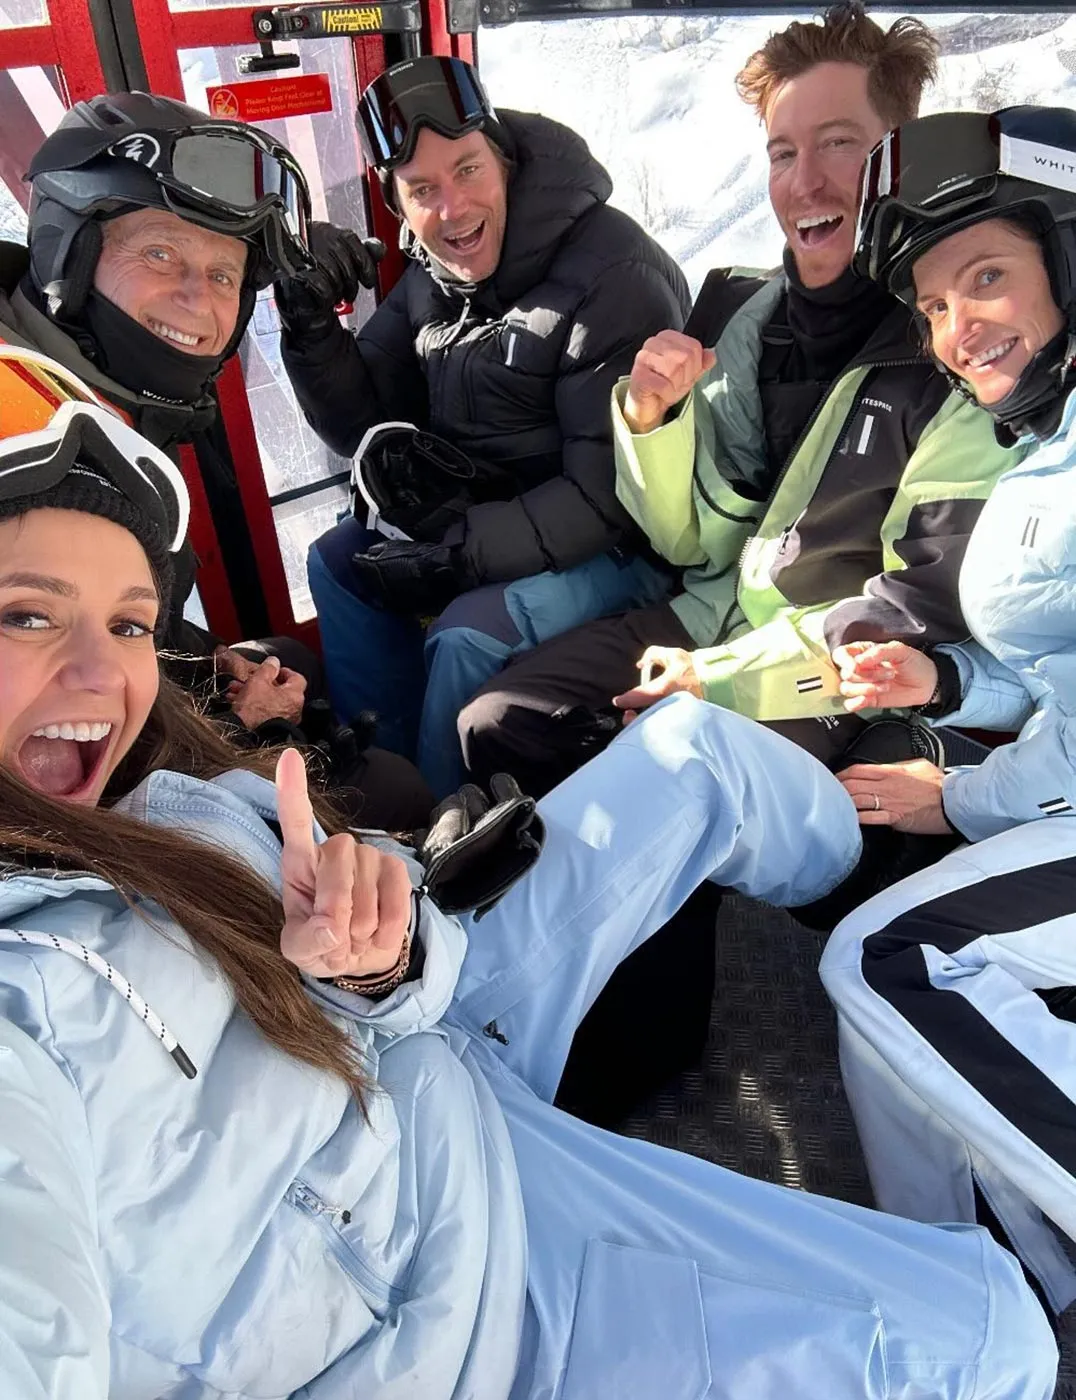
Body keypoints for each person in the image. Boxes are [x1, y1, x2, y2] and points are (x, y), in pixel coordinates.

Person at [0, 375, 1057, 1400]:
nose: (102, 674)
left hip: (430, 1055)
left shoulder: (161, 805)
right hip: (450, 1293)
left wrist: (382, 946)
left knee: (697, 750)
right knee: (988, 1340)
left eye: (128, 624)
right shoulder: (26, 999)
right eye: (28, 615)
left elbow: (367, 968)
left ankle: (853, 877)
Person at [458, 2, 1011, 805]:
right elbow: (692, 544)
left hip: (838, 674)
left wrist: (715, 679)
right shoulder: (747, 323)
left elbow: (914, 604)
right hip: (717, 615)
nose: (804, 181)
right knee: (500, 721)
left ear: (899, 158)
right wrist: (654, 422)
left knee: (678, 783)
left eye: (839, 144)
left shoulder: (952, 351)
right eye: (783, 152)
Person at [0, 90, 433, 829]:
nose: (199, 301)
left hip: (125, 725)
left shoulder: (86, 396)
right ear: (68, 252)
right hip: (85, 813)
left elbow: (124, 623)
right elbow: (68, 763)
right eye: (160, 253)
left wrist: (207, 666)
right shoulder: (39, 443)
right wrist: (240, 728)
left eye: (225, 274)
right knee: (398, 794)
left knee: (288, 653)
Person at [817, 103, 1076, 1317]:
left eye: (983, 279)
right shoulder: (1041, 451)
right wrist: (944, 683)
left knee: (886, 957)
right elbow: (1054, 663)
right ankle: (966, 1292)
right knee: (880, 1008)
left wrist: (956, 799)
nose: (951, 328)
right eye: (930, 304)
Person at [278, 55, 690, 796]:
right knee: (338, 563)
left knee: (468, 631)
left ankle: (445, 825)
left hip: (621, 546)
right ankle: (383, 783)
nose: (453, 209)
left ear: (504, 161)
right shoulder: (435, 276)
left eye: (468, 171)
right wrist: (311, 328)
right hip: (493, 519)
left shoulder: (612, 276)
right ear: (398, 203)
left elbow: (608, 493)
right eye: (423, 191)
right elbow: (360, 422)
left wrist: (459, 556)